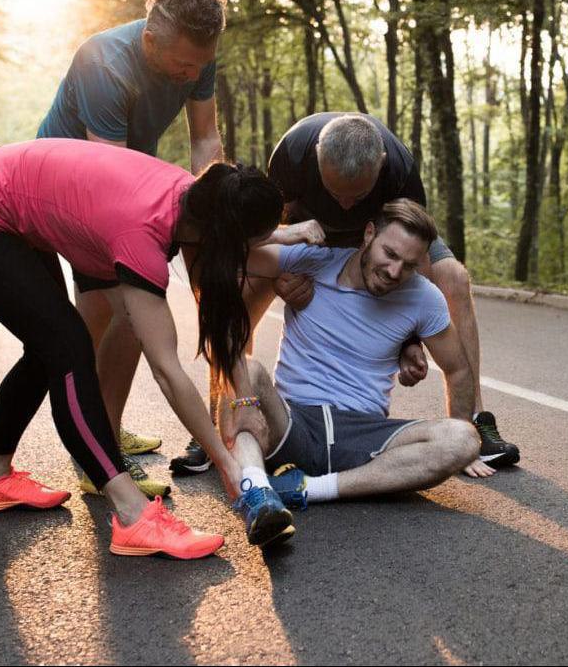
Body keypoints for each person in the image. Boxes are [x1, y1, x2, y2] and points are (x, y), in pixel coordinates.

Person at [0, 138, 295, 554]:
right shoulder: (141, 233)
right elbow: (167, 371)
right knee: (68, 347)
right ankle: (132, 514)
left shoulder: (196, 196)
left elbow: (215, 305)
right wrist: (229, 465)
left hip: (0, 199)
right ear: (220, 236)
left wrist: (291, 236)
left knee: (48, 342)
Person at [171, 112, 518, 477]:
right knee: (236, 285)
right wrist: (284, 269)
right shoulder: (292, 153)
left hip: (381, 244)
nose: (346, 205)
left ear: (380, 166)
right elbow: (254, 232)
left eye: (359, 195)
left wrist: (412, 339)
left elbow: (415, 257)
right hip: (308, 236)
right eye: (336, 193)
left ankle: (475, 419)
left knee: (454, 277)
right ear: (318, 156)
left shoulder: (400, 169)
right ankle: (222, 410)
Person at [36, 0, 226, 494]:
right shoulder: (105, 62)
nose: (193, 73)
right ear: (149, 41)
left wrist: (212, 207)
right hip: (68, 185)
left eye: (201, 64)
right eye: (184, 64)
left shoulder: (198, 54)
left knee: (102, 315)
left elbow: (206, 137)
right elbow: (110, 176)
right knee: (125, 311)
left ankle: (101, 429)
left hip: (118, 176)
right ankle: (101, 460)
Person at [234, 199, 481, 507]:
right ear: (368, 235)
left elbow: (457, 369)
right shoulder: (312, 261)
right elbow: (226, 251)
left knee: (464, 438)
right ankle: (258, 489)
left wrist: (458, 454)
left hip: (363, 434)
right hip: (291, 421)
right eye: (389, 254)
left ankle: (309, 489)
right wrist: (281, 233)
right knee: (242, 369)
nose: (394, 271)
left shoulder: (424, 298)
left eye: (408, 265)